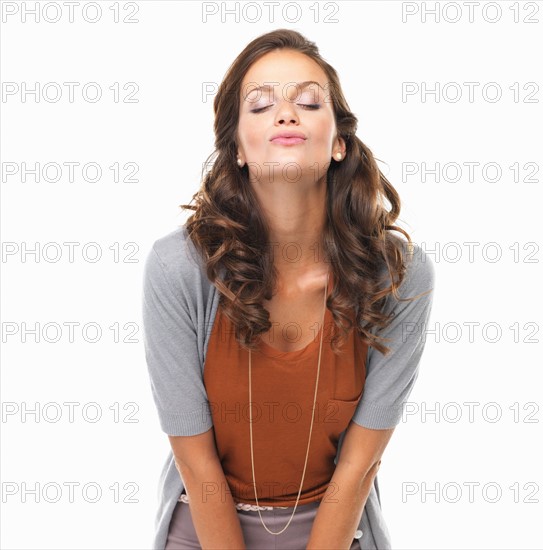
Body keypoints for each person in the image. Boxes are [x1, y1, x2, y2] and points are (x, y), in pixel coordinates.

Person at [142, 28, 435, 550]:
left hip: (338, 532)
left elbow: (360, 463)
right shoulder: (177, 267)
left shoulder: (399, 274)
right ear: (236, 148)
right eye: (259, 105)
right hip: (205, 532)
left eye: (307, 100)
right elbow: (195, 459)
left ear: (340, 141)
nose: (285, 113)